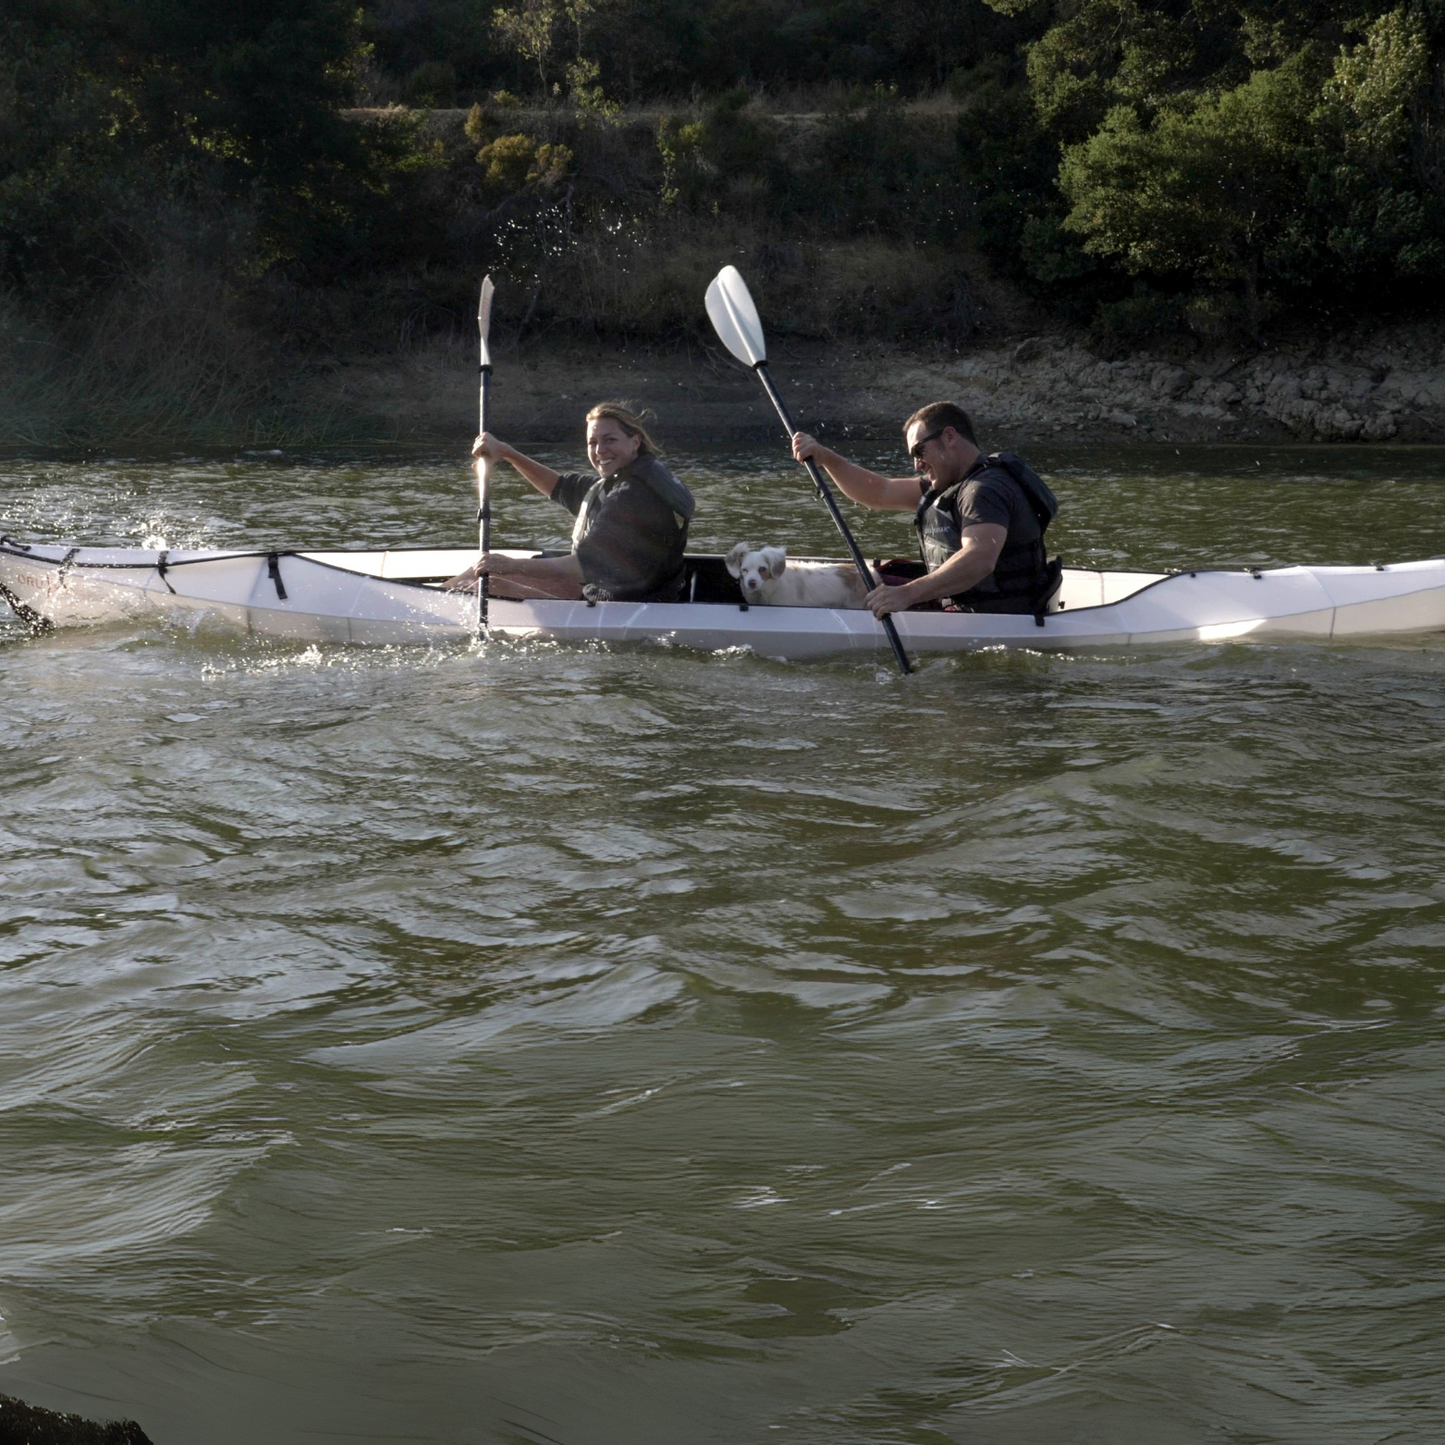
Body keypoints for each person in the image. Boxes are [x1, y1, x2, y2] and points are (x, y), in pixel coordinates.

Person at [791, 402, 1060, 619]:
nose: (917, 464)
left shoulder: (984, 490)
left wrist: (906, 594)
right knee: (863, 579)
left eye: (919, 451)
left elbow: (979, 558)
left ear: (950, 437)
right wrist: (826, 457)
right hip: (963, 605)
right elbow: (878, 492)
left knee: (864, 591)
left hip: (995, 617)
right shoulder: (949, 483)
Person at [446, 402, 695, 602]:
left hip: (627, 603)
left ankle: (423, 606)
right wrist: (507, 453)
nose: (599, 451)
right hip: (621, 588)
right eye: (592, 442)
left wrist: (511, 565)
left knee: (483, 583)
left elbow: (584, 565)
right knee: (481, 572)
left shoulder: (631, 495)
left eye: (610, 440)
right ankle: (427, 596)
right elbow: (560, 487)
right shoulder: (630, 479)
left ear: (635, 442)